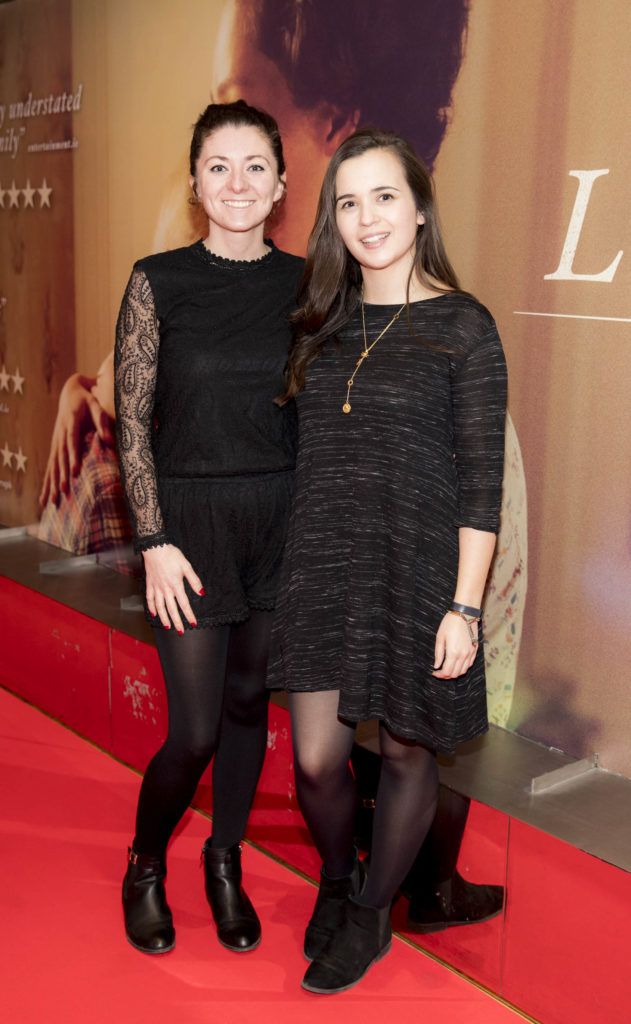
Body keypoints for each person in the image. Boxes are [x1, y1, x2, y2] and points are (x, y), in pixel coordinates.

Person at [269, 127, 508, 993]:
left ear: (417, 208)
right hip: (323, 569)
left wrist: (465, 606)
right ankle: (339, 878)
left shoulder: (462, 326)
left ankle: (372, 913)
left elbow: (481, 485)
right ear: (332, 220)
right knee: (315, 762)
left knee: (409, 752)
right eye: (347, 201)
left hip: (416, 573)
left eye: (382, 197)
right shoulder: (321, 324)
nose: (366, 217)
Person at [114, 99, 303, 956]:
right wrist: (152, 541)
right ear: (194, 183)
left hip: (279, 522)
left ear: (281, 186)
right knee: (190, 728)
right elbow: (132, 422)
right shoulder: (157, 279)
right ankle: (146, 863)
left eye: (255, 166)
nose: (236, 182)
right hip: (185, 526)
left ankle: (222, 859)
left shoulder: (308, 285)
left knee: (244, 705)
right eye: (218, 166)